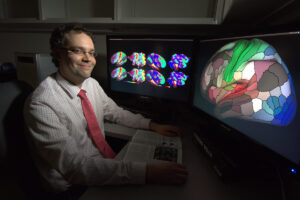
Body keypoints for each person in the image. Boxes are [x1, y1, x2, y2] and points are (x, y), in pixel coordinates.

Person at [24, 23, 188, 198]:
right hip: (72, 185)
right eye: (78, 51)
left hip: (101, 162)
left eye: (91, 52)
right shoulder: (42, 104)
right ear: (58, 54)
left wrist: (151, 125)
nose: (88, 59)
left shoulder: (90, 84)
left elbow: (115, 112)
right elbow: (74, 168)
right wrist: (147, 172)